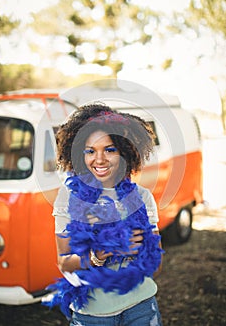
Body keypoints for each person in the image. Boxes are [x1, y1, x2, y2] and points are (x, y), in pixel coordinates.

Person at [46, 103, 163, 326]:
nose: (99, 160)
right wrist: (103, 252)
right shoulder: (69, 197)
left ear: (125, 151)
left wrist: (143, 248)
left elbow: (156, 266)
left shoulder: (142, 197)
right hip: (92, 314)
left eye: (109, 149)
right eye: (90, 151)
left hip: (141, 308)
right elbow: (64, 263)